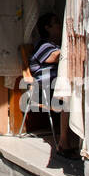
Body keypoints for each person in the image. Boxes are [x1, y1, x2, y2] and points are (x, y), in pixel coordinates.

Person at [28, 13, 75, 156]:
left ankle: (73, 140)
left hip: (53, 87)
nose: (60, 26)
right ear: (47, 28)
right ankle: (64, 142)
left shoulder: (55, 44)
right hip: (43, 90)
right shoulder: (44, 45)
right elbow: (56, 57)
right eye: (56, 23)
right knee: (67, 96)